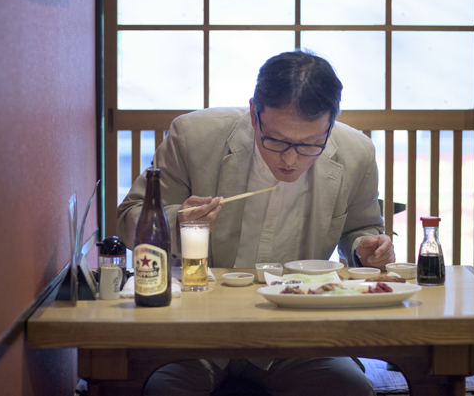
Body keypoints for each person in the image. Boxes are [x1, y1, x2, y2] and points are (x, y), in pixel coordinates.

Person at [117, 50, 395, 396]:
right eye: (276, 140)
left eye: (310, 144)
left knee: (352, 390)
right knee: (160, 390)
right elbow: (128, 218)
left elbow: (362, 230)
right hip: (196, 331)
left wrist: (365, 248)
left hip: (298, 333)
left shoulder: (357, 153)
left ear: (330, 124)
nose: (291, 159)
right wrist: (175, 222)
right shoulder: (193, 135)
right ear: (253, 112)